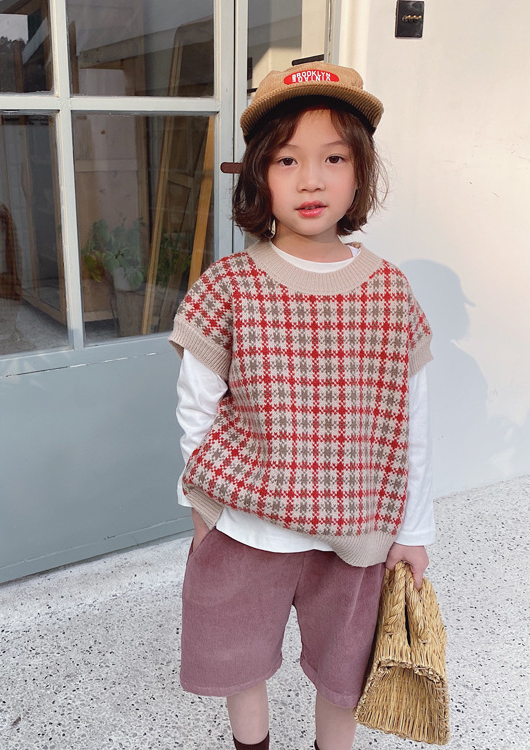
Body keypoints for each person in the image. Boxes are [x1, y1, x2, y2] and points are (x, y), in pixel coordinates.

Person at [168, 62, 434, 750]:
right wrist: (202, 506)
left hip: (356, 531)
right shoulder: (229, 285)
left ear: (361, 172)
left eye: (334, 158)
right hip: (247, 524)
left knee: (346, 674)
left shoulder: (389, 293)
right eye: (287, 159)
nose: (311, 180)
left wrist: (413, 530)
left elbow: (411, 425)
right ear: (260, 173)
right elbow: (197, 410)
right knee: (238, 661)